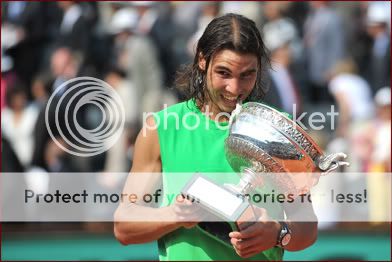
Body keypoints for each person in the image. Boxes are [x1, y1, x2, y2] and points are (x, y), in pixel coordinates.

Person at [114, 13, 317, 260]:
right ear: (202, 60)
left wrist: (278, 233)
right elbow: (124, 225)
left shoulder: (279, 129)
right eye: (224, 73)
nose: (235, 88)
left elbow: (306, 226)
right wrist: (176, 214)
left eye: (247, 75)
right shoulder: (160, 128)